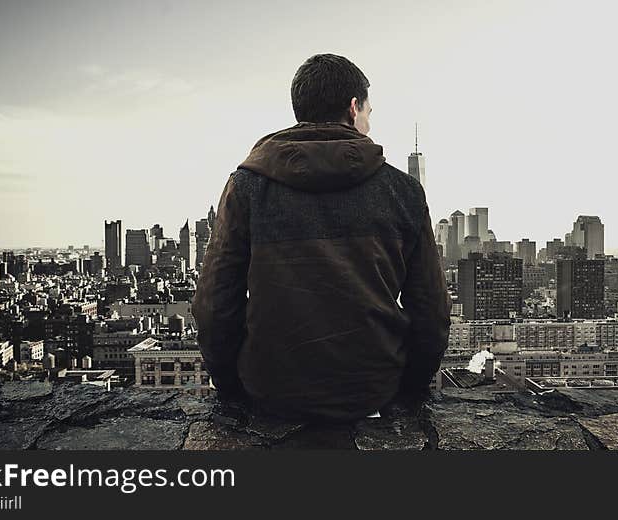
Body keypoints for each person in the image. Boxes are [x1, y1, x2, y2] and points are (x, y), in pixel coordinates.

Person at [192, 53, 452, 422]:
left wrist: (232, 388)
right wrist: (409, 391)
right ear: (352, 108)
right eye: (368, 111)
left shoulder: (246, 186)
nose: (367, 121)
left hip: (270, 389)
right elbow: (431, 310)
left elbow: (214, 304)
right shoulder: (403, 191)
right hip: (372, 391)